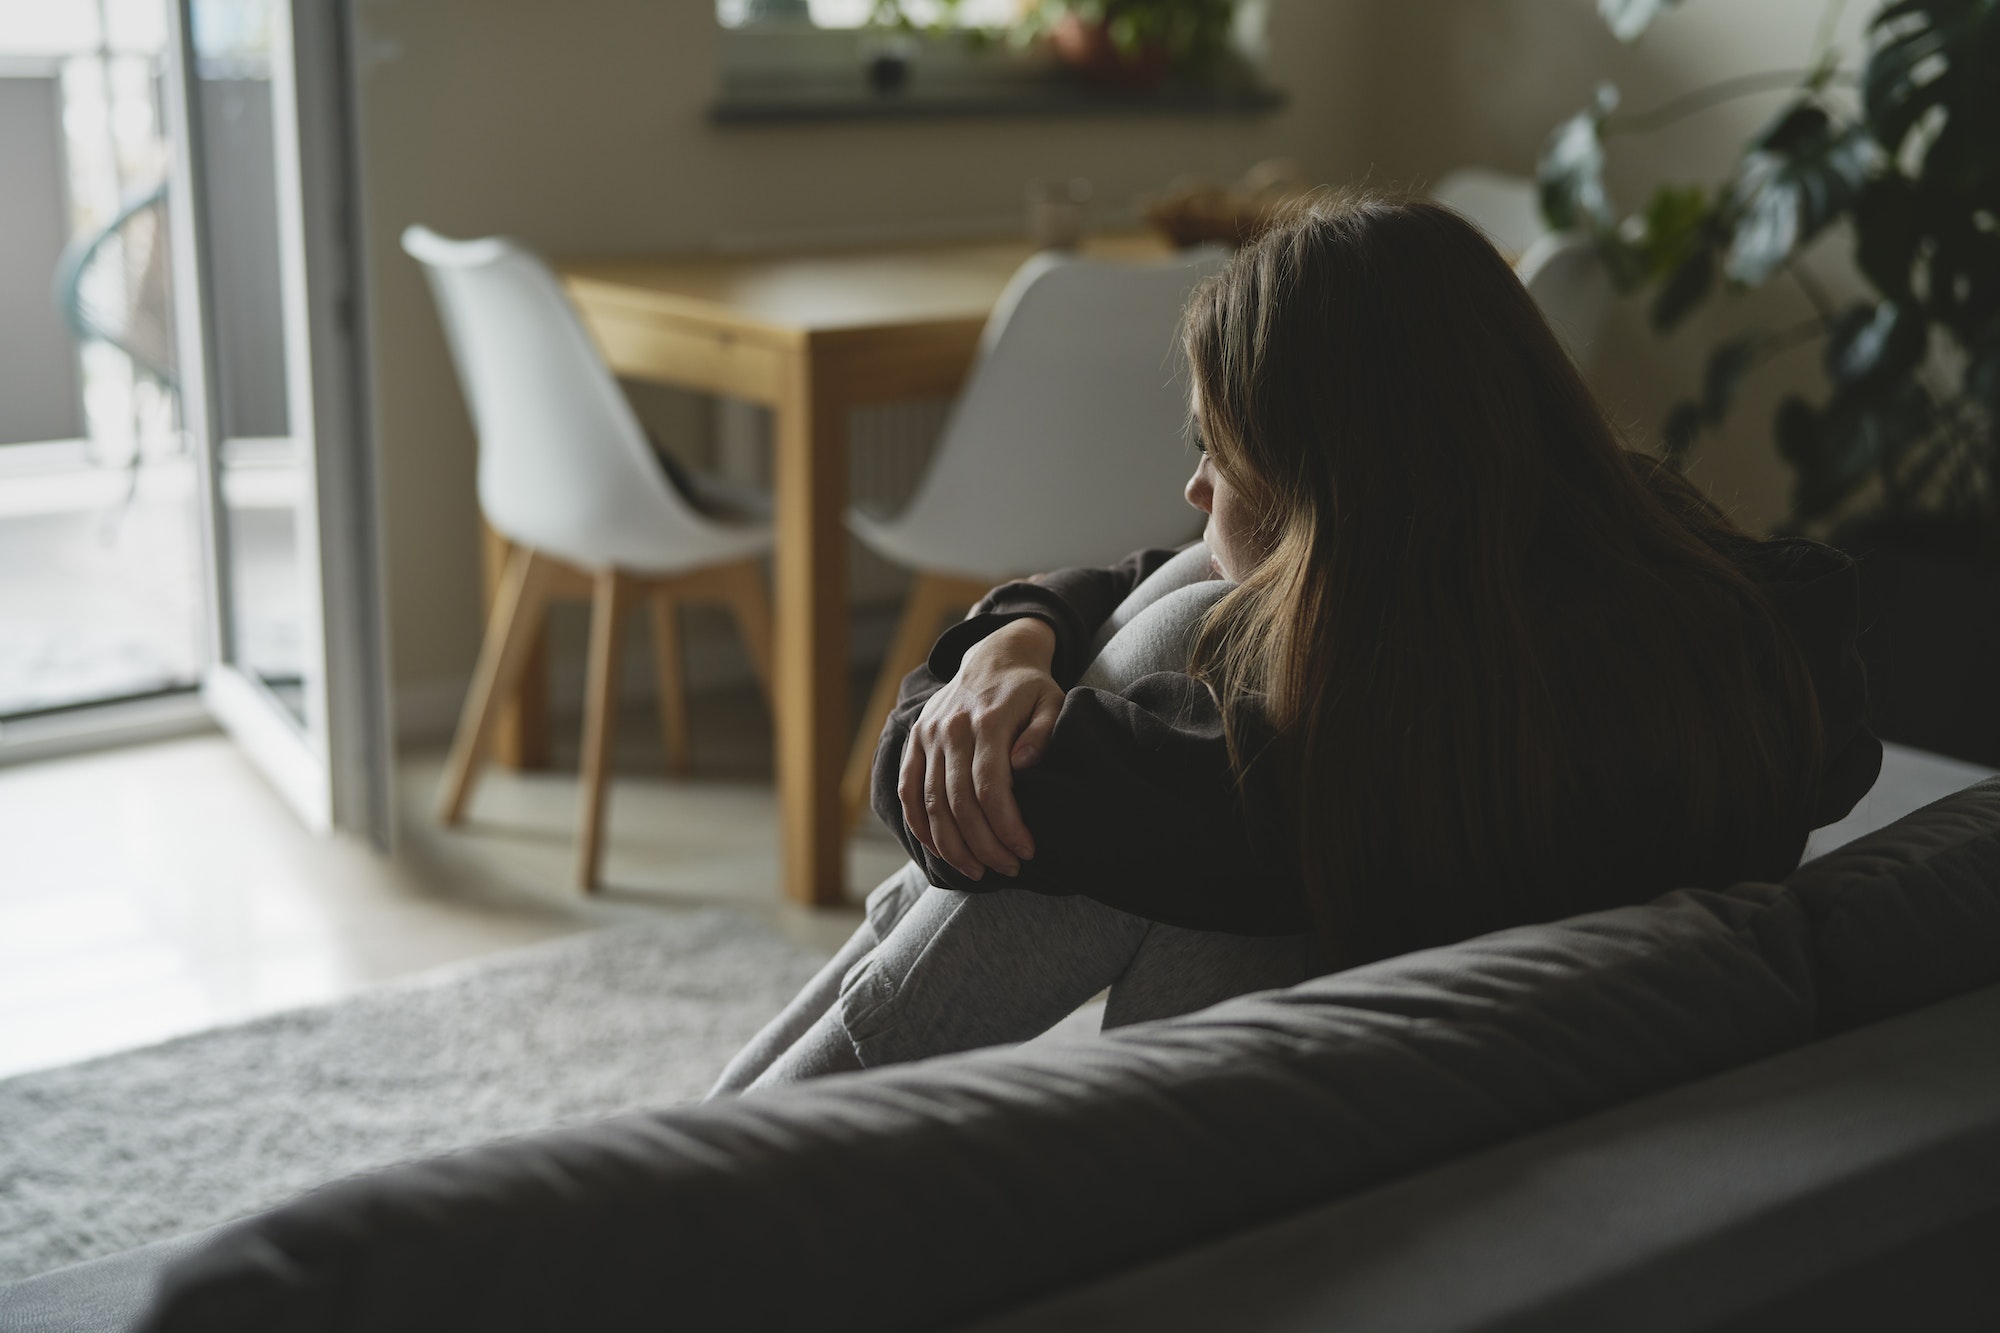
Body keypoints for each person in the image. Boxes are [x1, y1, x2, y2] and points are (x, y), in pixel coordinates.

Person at [709, 189, 1881, 1096]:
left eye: (1220, 456)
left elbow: (939, 795)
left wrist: (985, 682)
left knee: (1164, 636)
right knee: (1177, 595)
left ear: (1337, 502)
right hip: (1476, 1039)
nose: (1190, 481)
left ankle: (681, 1193)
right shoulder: (1680, 609)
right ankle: (687, 1162)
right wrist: (1011, 639)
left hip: (1342, 1131)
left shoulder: (1304, 780)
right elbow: (1134, 581)